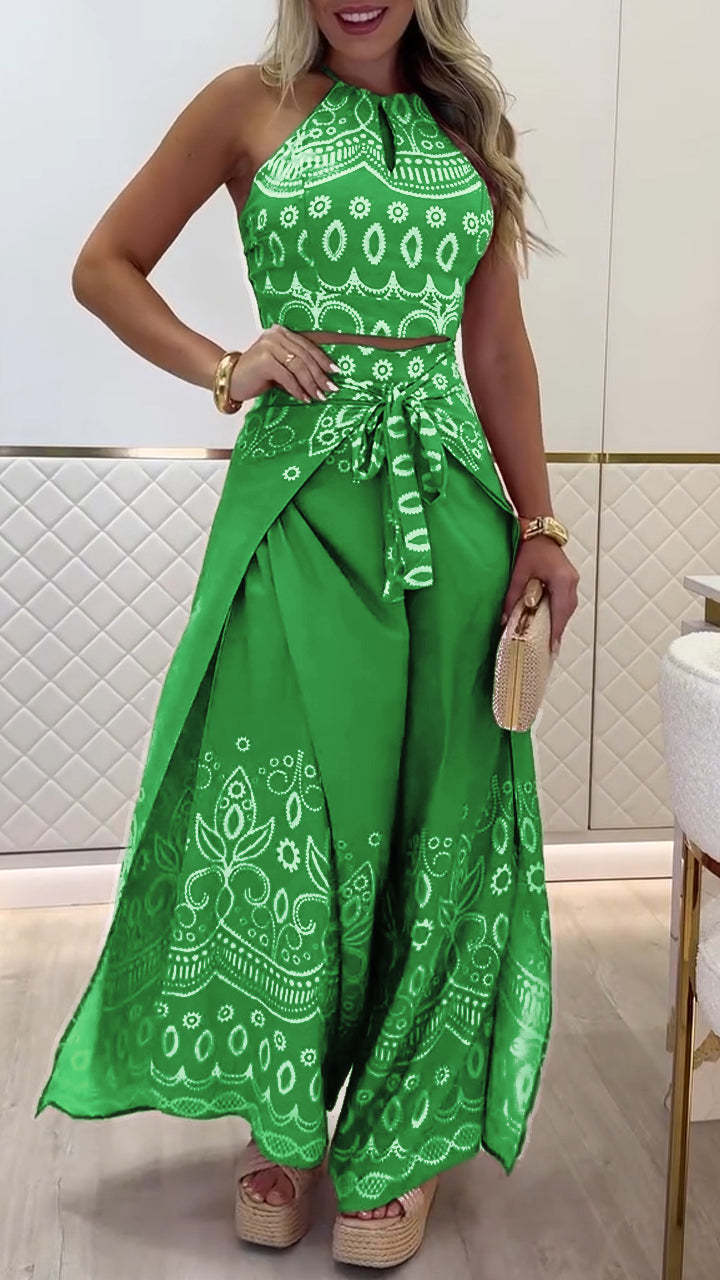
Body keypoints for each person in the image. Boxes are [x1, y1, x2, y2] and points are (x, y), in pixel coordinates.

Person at [35, 0, 580, 1267]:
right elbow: (104, 264)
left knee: (438, 812)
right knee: (289, 807)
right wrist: (224, 365)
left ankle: (395, 1134)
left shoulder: (471, 126)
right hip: (297, 501)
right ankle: (283, 1117)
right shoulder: (248, 103)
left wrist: (540, 523)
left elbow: (497, 346)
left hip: (452, 508)